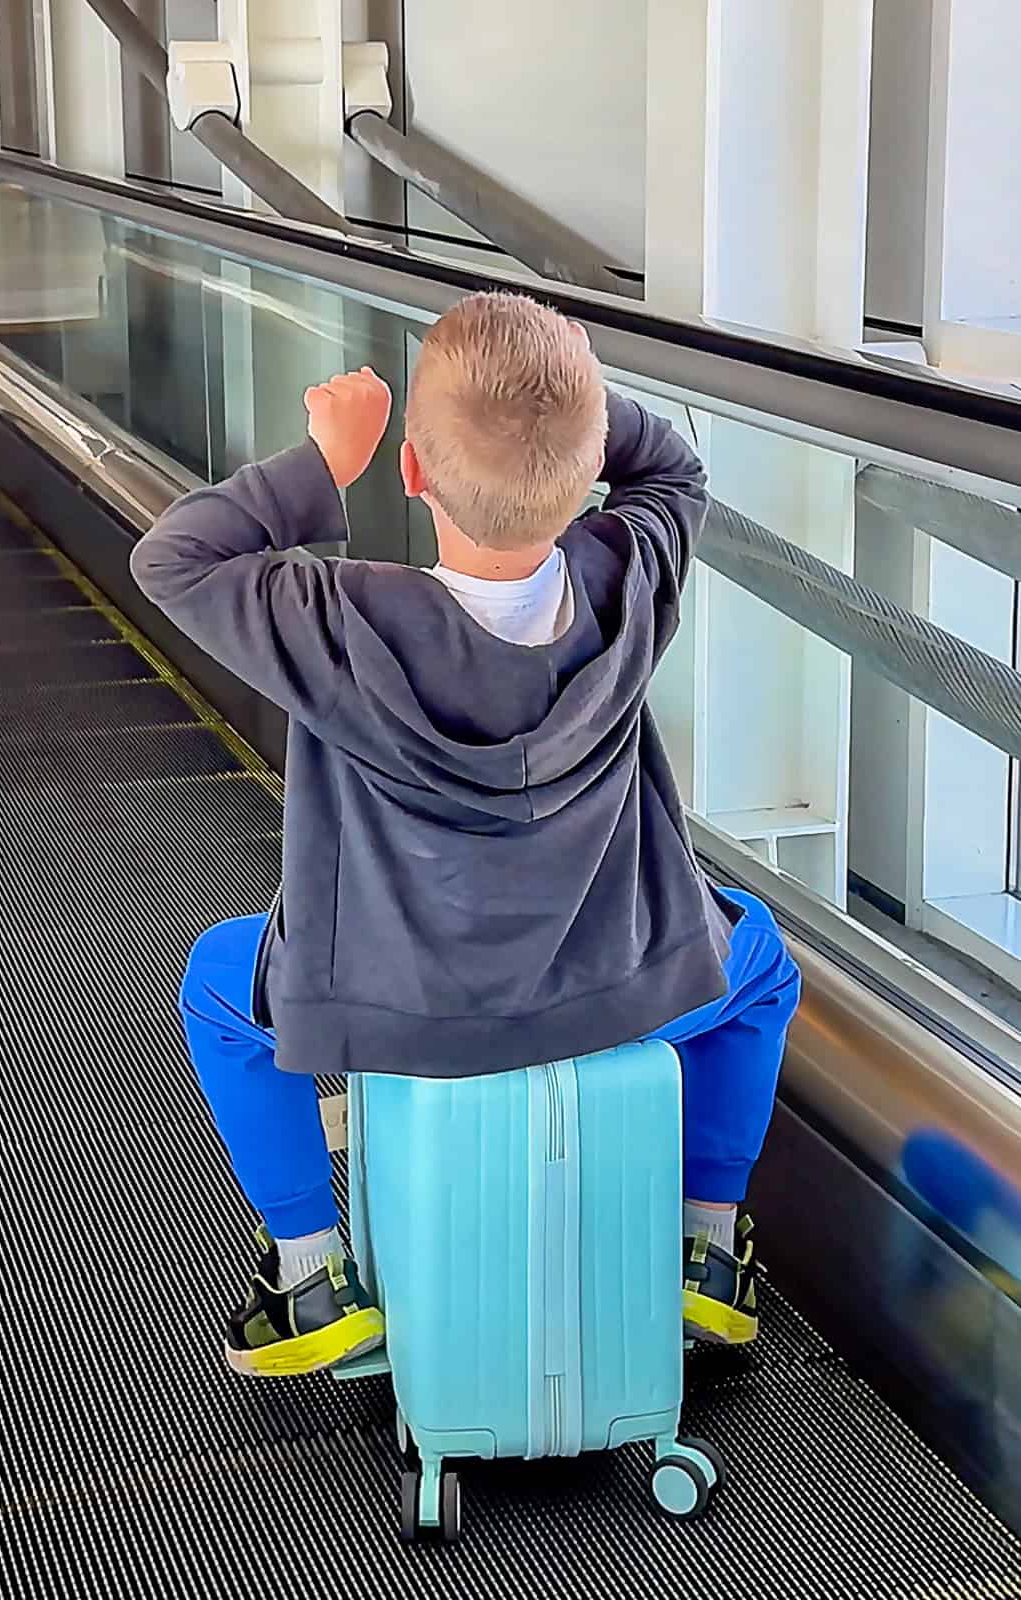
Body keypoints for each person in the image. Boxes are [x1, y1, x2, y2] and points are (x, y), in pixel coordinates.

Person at [132, 293, 801, 1378]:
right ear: (588, 472)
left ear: (410, 472)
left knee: (215, 985)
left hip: (390, 1009)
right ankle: (706, 1251)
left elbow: (173, 559)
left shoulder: (339, 619)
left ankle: (311, 1275)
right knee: (761, 962)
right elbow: (674, 469)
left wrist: (319, 461)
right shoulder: (627, 585)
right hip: (618, 985)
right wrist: (577, 402)